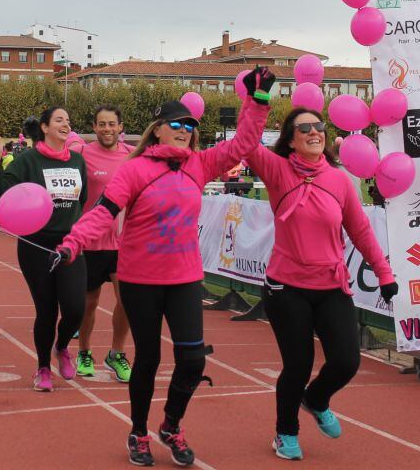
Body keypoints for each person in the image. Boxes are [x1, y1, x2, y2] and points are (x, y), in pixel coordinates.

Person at [57, 72, 272, 467]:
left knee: (193, 361)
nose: (186, 131)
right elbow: (104, 213)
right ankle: (138, 431)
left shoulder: (200, 165)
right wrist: (74, 242)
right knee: (148, 360)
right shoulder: (134, 170)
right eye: (177, 124)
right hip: (140, 280)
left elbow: (244, 143)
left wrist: (257, 99)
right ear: (157, 132)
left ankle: (171, 424)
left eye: (191, 126)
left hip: (186, 278)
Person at [243, 107, 397, 461]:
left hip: (330, 285)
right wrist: (258, 101)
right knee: (297, 365)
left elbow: (359, 230)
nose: (315, 132)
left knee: (346, 362)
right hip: (286, 288)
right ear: (291, 140)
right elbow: (248, 143)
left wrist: (384, 273)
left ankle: (315, 399)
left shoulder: (340, 179)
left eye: (319, 126)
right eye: (305, 128)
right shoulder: (277, 170)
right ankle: (285, 433)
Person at [0, 108, 88, 392]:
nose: (66, 124)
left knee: (75, 308)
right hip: (36, 245)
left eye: (68, 120)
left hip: (70, 243)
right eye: (59, 120)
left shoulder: (78, 162)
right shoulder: (28, 160)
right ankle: (43, 366)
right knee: (46, 310)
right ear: (44, 127)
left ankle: (63, 346)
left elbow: (84, 198)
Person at [73, 104, 134, 383]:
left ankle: (117, 353)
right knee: (89, 303)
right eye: (101, 124)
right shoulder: (82, 154)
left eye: (112, 124)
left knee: (128, 301)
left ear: (121, 127)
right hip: (90, 242)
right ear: (94, 127)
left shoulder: (131, 156)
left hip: (122, 242)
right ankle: (84, 352)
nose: (107, 129)